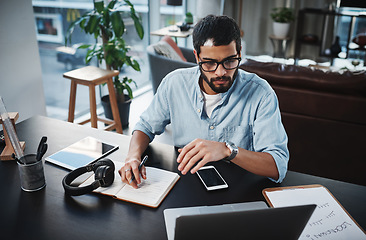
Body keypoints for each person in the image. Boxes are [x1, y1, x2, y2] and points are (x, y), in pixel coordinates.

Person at [119, 15, 289, 189]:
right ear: (197, 57)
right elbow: (145, 126)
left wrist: (227, 150)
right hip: (185, 187)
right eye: (209, 63)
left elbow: (278, 165)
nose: (220, 72)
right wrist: (133, 156)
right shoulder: (174, 83)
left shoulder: (261, 94)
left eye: (229, 61)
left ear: (239, 53)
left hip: (239, 192)